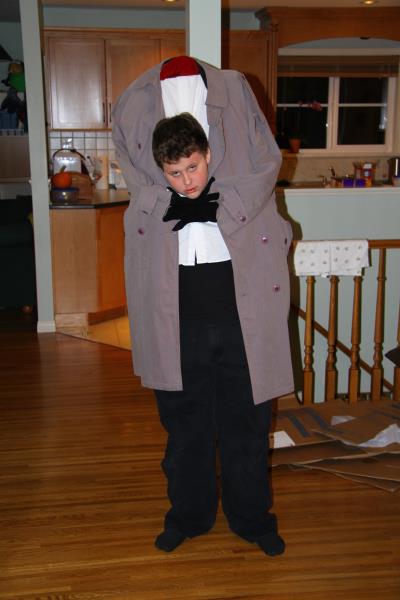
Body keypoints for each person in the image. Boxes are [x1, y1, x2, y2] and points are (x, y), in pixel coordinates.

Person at [112, 56, 294, 556]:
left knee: (248, 419)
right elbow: (132, 173)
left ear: (207, 154)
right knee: (183, 421)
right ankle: (188, 516)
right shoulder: (132, 102)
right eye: (178, 172)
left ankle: (252, 518)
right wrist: (166, 201)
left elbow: (267, 162)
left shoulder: (235, 90)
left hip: (240, 292)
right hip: (174, 298)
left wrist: (221, 203)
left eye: (193, 167)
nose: (187, 178)